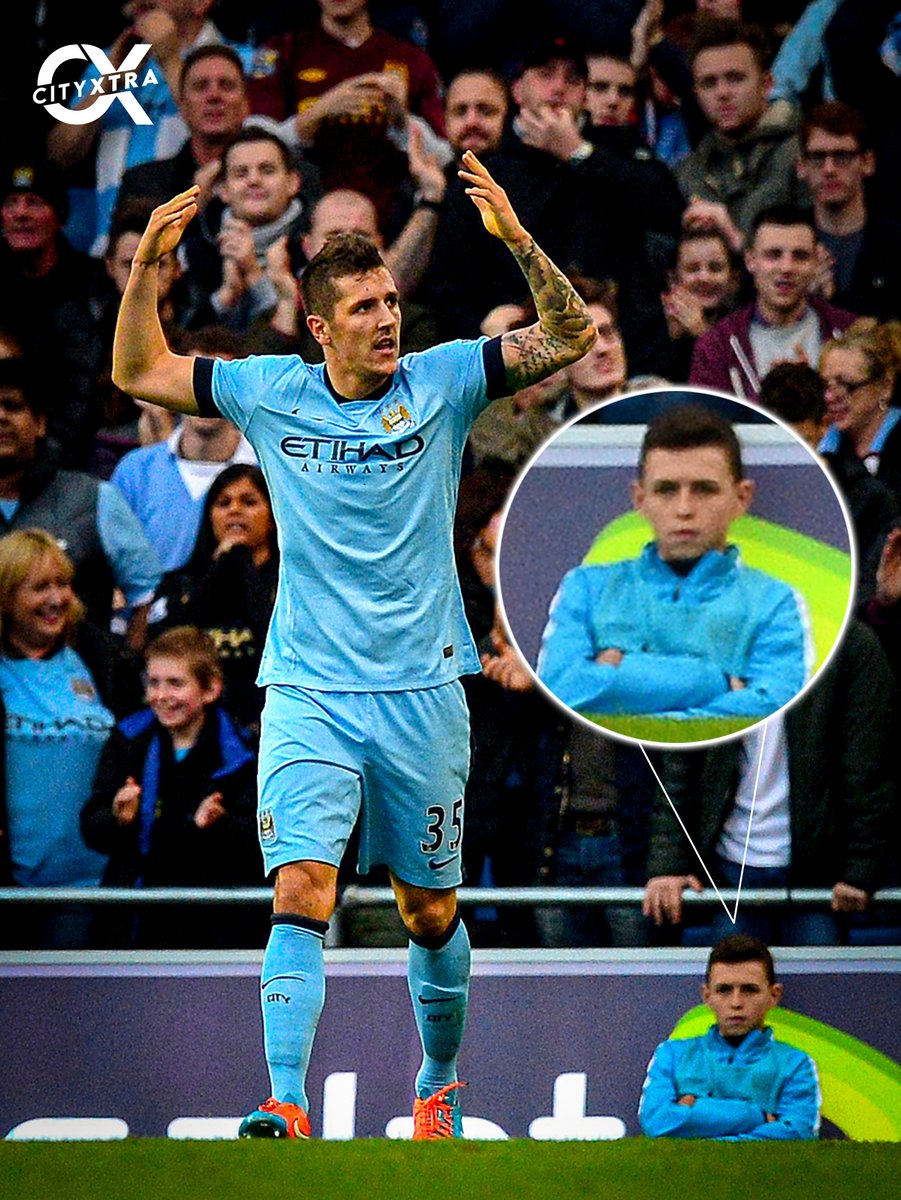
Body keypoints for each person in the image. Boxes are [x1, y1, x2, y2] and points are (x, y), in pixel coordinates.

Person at [111, 153, 597, 1139]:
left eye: (390, 301)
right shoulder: (268, 391)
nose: (385, 319)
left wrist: (517, 242)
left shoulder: (446, 379)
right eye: (363, 308)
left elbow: (570, 334)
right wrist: (143, 272)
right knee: (301, 886)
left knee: (428, 912)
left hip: (424, 689)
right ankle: (285, 1099)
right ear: (320, 326)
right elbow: (138, 371)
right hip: (309, 689)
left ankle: (437, 1085)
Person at [538, 403, 810, 720]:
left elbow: (770, 705)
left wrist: (624, 672)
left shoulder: (777, 602)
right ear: (640, 499)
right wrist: (715, 681)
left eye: (704, 490)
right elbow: (562, 688)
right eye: (666, 490)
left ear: (742, 497)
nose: (684, 509)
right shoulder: (586, 588)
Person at [642, 620, 896, 945]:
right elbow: (680, 765)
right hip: (731, 868)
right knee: (734, 978)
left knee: (819, 977)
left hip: (820, 874)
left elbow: (870, 767)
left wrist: (861, 869)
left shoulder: (849, 644)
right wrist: (668, 864)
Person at [0, 529, 142, 949]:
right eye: (39, 587)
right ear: (6, 596)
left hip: (94, 890)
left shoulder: (99, 658)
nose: (56, 599)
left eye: (62, 584)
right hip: (11, 890)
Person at [82, 625, 260, 948]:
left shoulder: (244, 751)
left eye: (175, 684)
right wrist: (117, 818)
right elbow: (91, 827)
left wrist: (221, 825)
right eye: (153, 683)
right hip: (136, 921)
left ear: (210, 689)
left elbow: (260, 839)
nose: (161, 696)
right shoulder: (127, 740)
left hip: (217, 926)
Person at [0, 358, 161, 647]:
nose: (1, 417)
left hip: (79, 671)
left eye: (13, 406)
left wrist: (128, 664)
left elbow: (149, 595)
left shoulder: (94, 498)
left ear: (40, 423)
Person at [639, 934, 821, 1139]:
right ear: (707, 996)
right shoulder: (672, 1054)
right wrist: (756, 1116)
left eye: (749, 990)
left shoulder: (796, 1064)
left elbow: (797, 1135)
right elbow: (656, 1123)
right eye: (724, 990)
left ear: (774, 995)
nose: (736, 1002)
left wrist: (697, 1113)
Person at [112, 327, 256, 573]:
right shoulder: (134, 471)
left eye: (218, 382)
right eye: (194, 380)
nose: (205, 394)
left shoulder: (267, 471)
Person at [150, 464, 278, 730]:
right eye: (223, 503)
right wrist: (220, 568)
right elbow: (166, 650)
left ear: (272, 517)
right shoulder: (179, 584)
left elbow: (275, 647)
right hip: (191, 730)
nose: (234, 510)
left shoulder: (292, 586)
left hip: (266, 724)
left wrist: (242, 562)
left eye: (249, 502)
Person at [690, 205, 857, 401]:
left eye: (800, 256)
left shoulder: (851, 332)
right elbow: (703, 417)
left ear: (815, 262)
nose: (786, 268)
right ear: (750, 261)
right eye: (773, 255)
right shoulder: (716, 347)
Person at [675, 18, 807, 247]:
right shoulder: (687, 174)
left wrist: (733, 238)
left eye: (735, 78)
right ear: (697, 95)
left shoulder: (805, 156)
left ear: (767, 84)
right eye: (709, 83)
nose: (722, 93)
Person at [796, 102, 901, 320]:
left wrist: (830, 301)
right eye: (817, 157)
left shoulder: (895, 243)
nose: (829, 169)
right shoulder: (785, 239)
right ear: (801, 166)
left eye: (842, 156)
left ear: (868, 163)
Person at [818, 319, 901, 499]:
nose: (829, 397)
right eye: (826, 385)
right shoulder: (822, 448)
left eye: (845, 385)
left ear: (886, 386)